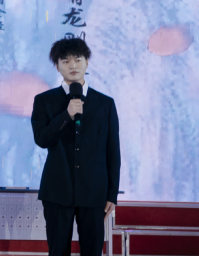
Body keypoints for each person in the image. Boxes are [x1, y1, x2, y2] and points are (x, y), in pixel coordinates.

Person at [31, 37, 120, 256]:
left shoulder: (105, 103)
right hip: (57, 189)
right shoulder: (44, 101)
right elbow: (42, 139)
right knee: (58, 250)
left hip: (94, 191)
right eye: (66, 61)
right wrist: (66, 115)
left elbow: (112, 150)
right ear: (57, 65)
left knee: (92, 250)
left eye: (78, 59)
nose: (73, 65)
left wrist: (112, 193)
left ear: (87, 62)